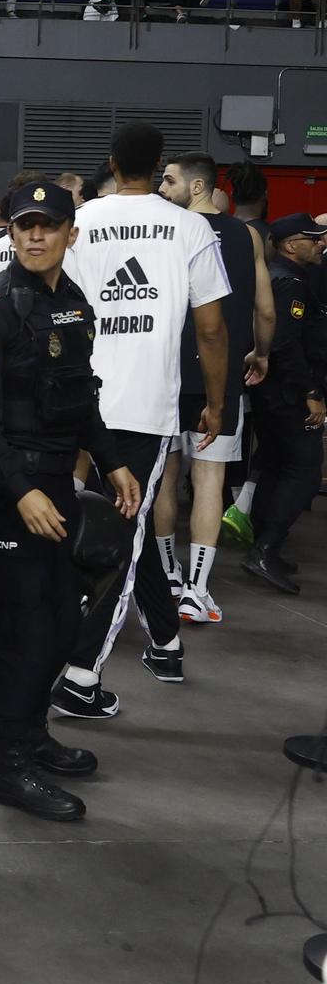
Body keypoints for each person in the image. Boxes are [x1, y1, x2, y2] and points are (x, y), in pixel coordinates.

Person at [0, 179, 141, 822]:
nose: (36, 235)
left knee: (61, 622)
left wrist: (114, 461)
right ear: (9, 230)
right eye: (25, 225)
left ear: (71, 233)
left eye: (49, 225)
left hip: (58, 486)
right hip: (14, 494)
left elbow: (79, 396)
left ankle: (31, 733)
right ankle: (9, 765)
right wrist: (24, 490)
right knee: (26, 628)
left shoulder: (72, 304)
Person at [53, 123, 228, 717]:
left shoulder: (83, 221)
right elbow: (210, 327)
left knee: (125, 525)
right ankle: (80, 674)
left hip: (80, 398)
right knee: (125, 539)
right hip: (145, 408)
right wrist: (216, 400)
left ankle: (166, 642)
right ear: (159, 167)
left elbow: (58, 300)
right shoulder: (191, 228)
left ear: (110, 162)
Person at [156, 151, 272, 621]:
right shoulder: (248, 236)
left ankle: (166, 575)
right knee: (209, 480)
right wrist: (261, 354)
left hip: (168, 375)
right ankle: (196, 589)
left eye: (169, 182)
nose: (163, 190)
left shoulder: (169, 232)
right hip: (221, 376)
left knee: (165, 476)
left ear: (197, 187)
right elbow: (265, 310)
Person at [238, 214, 327, 594]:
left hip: (272, 393)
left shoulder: (277, 275)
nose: (321, 243)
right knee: (306, 471)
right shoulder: (289, 283)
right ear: (292, 245)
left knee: (275, 465)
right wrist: (311, 393)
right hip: (289, 394)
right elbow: (286, 344)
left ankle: (264, 548)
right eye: (314, 238)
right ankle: (265, 547)